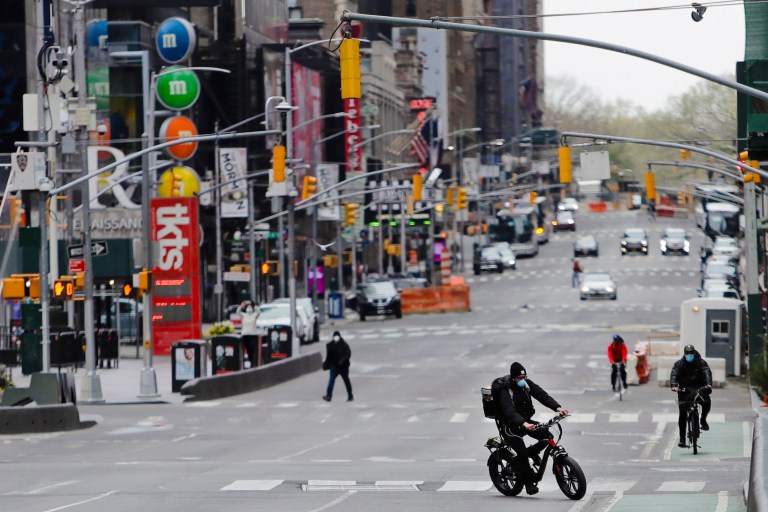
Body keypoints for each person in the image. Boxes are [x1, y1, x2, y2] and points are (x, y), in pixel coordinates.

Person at [497, 362, 570, 496]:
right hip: (510, 426)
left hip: (526, 422)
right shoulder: (505, 389)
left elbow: (542, 396)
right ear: (513, 378)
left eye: (524, 377)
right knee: (522, 453)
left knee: (547, 436)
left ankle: (532, 452)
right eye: (519, 378)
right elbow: (509, 411)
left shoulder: (527, 384)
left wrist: (558, 408)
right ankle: (529, 482)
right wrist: (523, 424)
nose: (522, 380)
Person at [670, 344, 713, 448]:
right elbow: (674, 374)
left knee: (706, 402)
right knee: (682, 414)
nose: (689, 355)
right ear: (684, 354)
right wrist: (674, 385)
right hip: (684, 390)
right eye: (687, 353)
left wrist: (708, 384)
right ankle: (682, 439)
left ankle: (703, 420)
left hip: (699, 388)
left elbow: (707, 372)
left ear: (694, 353)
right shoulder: (679, 364)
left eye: (691, 353)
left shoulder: (701, 363)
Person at [322, 330, 353, 402]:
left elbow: (348, 354)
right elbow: (328, 357)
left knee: (346, 381)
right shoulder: (330, 345)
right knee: (331, 381)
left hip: (343, 367)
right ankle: (328, 396)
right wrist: (326, 365)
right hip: (334, 366)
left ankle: (350, 395)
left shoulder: (344, 345)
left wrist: (342, 361)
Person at [236, 300, 261, 368]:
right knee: (247, 349)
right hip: (245, 335)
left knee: (253, 350)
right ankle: (247, 362)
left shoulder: (254, 315)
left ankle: (253, 363)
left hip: (253, 335)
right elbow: (238, 312)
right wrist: (242, 305)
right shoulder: (244, 315)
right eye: (248, 307)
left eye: (250, 307)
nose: (249, 308)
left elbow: (259, 311)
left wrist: (252, 304)